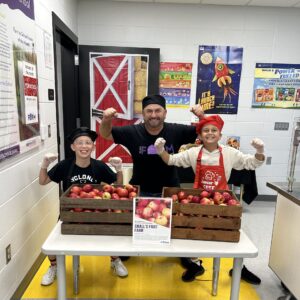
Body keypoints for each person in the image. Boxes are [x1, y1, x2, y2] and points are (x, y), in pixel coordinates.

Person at [99, 94, 206, 281]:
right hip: (140, 190)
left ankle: (188, 259)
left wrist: (202, 117)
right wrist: (106, 119)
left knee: (176, 229)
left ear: (165, 113)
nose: (153, 115)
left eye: (157, 111)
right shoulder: (133, 132)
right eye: (149, 111)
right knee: (136, 232)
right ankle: (124, 254)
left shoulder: (176, 130)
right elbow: (105, 134)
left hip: (170, 189)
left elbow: (205, 131)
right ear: (143, 114)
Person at [154, 114, 265, 284]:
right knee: (195, 233)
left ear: (220, 134)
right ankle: (195, 264)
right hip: (200, 202)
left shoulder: (230, 153)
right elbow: (171, 160)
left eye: (214, 130)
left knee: (231, 234)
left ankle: (238, 268)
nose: (210, 133)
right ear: (199, 135)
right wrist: (161, 150)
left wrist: (259, 152)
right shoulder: (193, 153)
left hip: (223, 203)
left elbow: (251, 163)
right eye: (205, 130)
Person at [39, 127, 128, 286]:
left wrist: (119, 169)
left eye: (88, 143)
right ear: (73, 147)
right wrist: (44, 164)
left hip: (95, 212)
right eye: (80, 143)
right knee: (51, 244)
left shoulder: (99, 166)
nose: (84, 146)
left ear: (93, 147)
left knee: (113, 238)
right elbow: (43, 181)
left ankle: (115, 260)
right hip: (69, 215)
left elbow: (118, 185)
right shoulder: (64, 166)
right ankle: (54, 267)